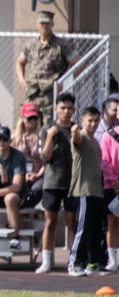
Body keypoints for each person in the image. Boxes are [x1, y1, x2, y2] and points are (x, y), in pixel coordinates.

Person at [35, 93, 78, 274]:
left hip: (73, 182)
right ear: (56, 109)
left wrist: (76, 136)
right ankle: (46, 261)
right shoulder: (47, 129)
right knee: (50, 222)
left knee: (71, 222)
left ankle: (73, 261)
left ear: (73, 110)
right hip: (52, 181)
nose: (66, 112)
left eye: (69, 108)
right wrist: (49, 137)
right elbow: (45, 157)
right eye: (62, 108)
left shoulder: (77, 129)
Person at [16, 11, 79, 123]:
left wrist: (64, 83)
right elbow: (20, 62)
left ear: (52, 24)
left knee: (48, 129)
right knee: (28, 126)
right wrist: (21, 80)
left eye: (47, 23)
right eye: (41, 23)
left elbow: (79, 64)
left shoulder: (61, 45)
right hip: (32, 94)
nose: (44, 26)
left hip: (51, 96)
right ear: (37, 24)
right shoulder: (30, 45)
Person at [66, 107, 105, 276]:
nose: (93, 124)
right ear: (82, 120)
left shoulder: (95, 141)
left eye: (96, 120)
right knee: (82, 229)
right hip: (84, 191)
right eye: (90, 120)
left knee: (95, 230)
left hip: (97, 192)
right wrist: (74, 131)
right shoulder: (81, 138)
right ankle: (74, 263)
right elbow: (76, 139)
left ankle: (92, 263)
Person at [11, 102, 45, 209]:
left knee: (37, 188)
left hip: (38, 173)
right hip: (20, 174)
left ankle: (24, 210)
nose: (32, 121)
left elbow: (47, 160)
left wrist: (37, 175)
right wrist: (22, 174)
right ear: (22, 118)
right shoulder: (14, 138)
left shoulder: (42, 137)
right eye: (29, 118)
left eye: (35, 118)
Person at [99, 103, 119, 273]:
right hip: (111, 186)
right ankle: (112, 260)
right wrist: (114, 181)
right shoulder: (108, 136)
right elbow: (104, 160)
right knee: (112, 222)